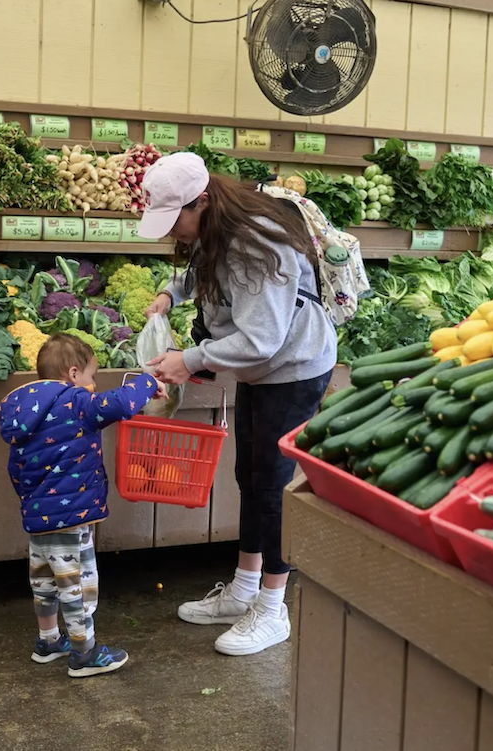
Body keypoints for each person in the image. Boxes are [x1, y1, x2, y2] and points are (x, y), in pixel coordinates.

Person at [139, 152, 337, 657]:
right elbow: (203, 275)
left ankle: (273, 607)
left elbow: (262, 339)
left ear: (202, 201)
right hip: (261, 370)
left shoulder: (255, 243)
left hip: (292, 368)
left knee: (271, 486)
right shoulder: (217, 228)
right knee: (250, 476)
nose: (173, 233)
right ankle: (244, 588)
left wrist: (190, 360)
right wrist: (170, 294)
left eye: (175, 220)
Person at [0, 332, 166, 678]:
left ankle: (48, 641)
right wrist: (148, 382)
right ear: (73, 374)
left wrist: (31, 503)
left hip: (38, 517)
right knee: (77, 585)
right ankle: (84, 652)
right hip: (71, 517)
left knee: (44, 582)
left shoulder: (23, 412)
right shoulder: (75, 401)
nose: (93, 385)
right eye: (91, 376)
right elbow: (119, 403)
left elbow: (15, 469)